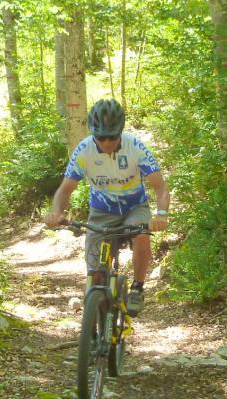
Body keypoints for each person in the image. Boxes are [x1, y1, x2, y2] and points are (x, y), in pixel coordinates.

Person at [44, 98, 170, 316]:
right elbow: (65, 189)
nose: (107, 142)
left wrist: (161, 215)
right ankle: (94, 323)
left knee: (141, 234)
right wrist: (57, 213)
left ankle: (138, 288)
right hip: (101, 211)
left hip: (134, 207)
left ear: (121, 131)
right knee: (95, 274)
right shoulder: (84, 150)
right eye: (100, 137)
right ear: (93, 133)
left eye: (112, 136)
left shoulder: (135, 146)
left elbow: (161, 188)